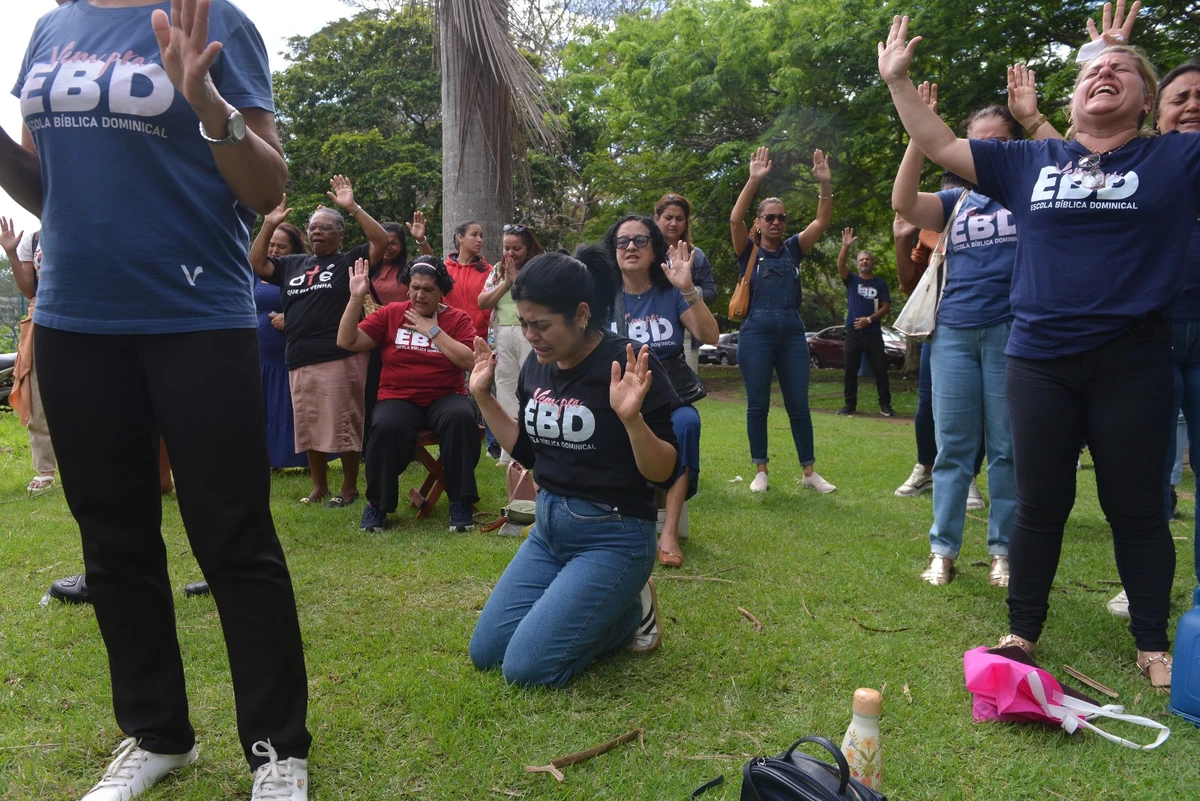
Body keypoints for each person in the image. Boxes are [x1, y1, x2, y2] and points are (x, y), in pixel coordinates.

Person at [5, 0, 312, 796]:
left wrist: (207, 105)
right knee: (113, 541)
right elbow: (52, 193)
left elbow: (268, 186)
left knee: (233, 534)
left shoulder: (211, 17)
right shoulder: (50, 31)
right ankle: (157, 732)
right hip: (75, 318)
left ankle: (278, 748)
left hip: (195, 315)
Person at [877, 13, 1200, 689]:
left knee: (1136, 507)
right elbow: (939, 143)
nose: (1103, 73)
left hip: (1134, 362)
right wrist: (899, 82)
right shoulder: (1030, 162)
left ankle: (1151, 641)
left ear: (1147, 103)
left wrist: (1111, 45)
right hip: (1040, 361)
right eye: (1091, 71)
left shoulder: (1174, 160)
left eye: (1121, 70)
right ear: (1072, 100)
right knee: (1039, 501)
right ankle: (1022, 630)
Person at [467, 246, 679, 686]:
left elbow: (663, 473)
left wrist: (632, 419)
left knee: (525, 669)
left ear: (582, 314)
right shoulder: (537, 365)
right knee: (486, 653)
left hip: (613, 536)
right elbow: (530, 452)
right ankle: (603, 601)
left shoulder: (628, 364)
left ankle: (631, 615)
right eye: (524, 323)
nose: (530, 336)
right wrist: (483, 396)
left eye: (541, 325)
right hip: (548, 531)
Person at [892, 88, 1020, 588]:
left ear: (1016, 146)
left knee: (1007, 450)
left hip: (1011, 332)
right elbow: (904, 203)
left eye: (997, 142)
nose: (984, 152)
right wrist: (919, 133)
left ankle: (1002, 552)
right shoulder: (955, 200)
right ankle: (942, 551)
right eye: (975, 143)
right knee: (953, 449)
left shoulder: (1031, 189)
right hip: (953, 335)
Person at [250, 180, 389, 507]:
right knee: (309, 422)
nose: (317, 232)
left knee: (344, 420)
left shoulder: (350, 261)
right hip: (299, 355)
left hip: (339, 354)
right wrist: (268, 224)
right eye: (313, 228)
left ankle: (349, 487)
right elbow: (257, 263)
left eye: (325, 228)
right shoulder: (292, 264)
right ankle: (319, 486)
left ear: (340, 234)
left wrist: (352, 207)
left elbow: (381, 240)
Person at [604, 215, 719, 567]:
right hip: (619, 393)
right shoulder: (603, 297)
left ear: (654, 251)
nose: (631, 247)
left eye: (640, 240)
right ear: (613, 251)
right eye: (622, 241)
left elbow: (711, 336)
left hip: (668, 392)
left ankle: (668, 531)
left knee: (687, 424)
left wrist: (688, 289)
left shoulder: (671, 292)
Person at [337, 256, 481, 532]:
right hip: (399, 397)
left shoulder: (457, 319)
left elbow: (470, 361)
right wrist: (356, 298)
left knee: (461, 418)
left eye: (428, 289)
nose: (419, 295)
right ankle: (378, 504)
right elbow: (347, 341)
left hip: (445, 395)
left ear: (441, 291)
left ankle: (460, 501)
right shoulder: (392, 314)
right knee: (386, 425)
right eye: (415, 287)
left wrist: (433, 331)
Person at [730, 147, 836, 494]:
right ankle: (761, 470)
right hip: (756, 333)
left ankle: (809, 472)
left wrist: (824, 184)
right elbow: (735, 220)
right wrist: (753, 179)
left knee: (799, 405)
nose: (776, 222)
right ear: (759, 222)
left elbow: (821, 222)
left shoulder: (793, 249)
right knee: (758, 404)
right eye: (770, 217)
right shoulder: (748, 251)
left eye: (782, 218)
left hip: (792, 334)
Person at [362, 214, 435, 448]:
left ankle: (408, 443)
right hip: (372, 336)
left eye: (394, 242)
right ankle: (369, 444)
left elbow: (435, 270)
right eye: (384, 241)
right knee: (371, 389)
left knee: (402, 392)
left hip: (404, 335)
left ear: (402, 245)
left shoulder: (409, 270)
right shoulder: (367, 269)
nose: (389, 246)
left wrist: (421, 240)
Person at [477, 224, 544, 465]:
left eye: (516, 248)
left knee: (532, 385)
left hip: (531, 332)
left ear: (528, 247)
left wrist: (518, 282)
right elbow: (482, 302)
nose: (510, 253)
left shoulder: (539, 267)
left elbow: (543, 300)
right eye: (507, 248)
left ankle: (536, 445)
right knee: (505, 387)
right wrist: (506, 282)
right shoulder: (498, 269)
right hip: (501, 334)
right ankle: (510, 452)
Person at [0, 218, 55, 494]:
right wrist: (11, 252)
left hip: (81, 317)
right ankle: (46, 470)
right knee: (38, 395)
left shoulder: (82, 228)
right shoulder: (33, 240)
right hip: (41, 320)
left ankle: (93, 463)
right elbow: (29, 290)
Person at [654, 193, 717, 371]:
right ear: (657, 218)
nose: (674, 223)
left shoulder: (696, 256)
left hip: (688, 329)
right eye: (668, 218)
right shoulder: (646, 252)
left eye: (679, 219)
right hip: (652, 323)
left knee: (685, 383)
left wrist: (687, 290)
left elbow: (711, 292)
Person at [442, 220, 493, 340]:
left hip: (481, 337)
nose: (479, 240)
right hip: (449, 336)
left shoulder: (490, 271)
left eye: (481, 236)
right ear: (460, 237)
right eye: (474, 235)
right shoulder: (444, 270)